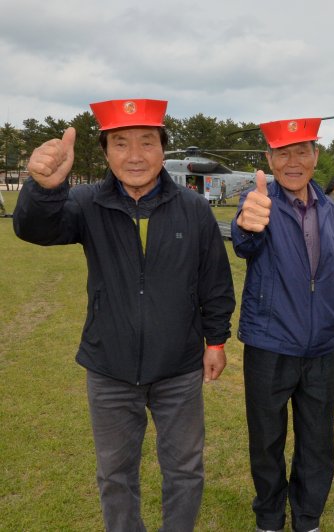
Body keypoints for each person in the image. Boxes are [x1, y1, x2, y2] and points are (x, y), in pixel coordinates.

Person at [14, 98, 235, 532]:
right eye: (121, 144)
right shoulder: (85, 203)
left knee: (185, 471)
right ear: (105, 153)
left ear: (162, 149)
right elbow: (34, 229)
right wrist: (43, 188)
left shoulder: (193, 209)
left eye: (146, 143)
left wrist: (216, 340)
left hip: (179, 369)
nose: (134, 156)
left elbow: (215, 281)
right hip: (109, 368)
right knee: (115, 475)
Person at [231, 118, 334, 532]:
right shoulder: (257, 201)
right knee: (266, 442)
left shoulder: (330, 208)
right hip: (269, 345)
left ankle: (307, 520)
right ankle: (270, 520)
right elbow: (246, 241)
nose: (292, 162)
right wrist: (247, 222)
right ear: (269, 159)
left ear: (315, 155)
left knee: (317, 443)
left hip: (320, 349)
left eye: (301, 151)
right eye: (282, 153)